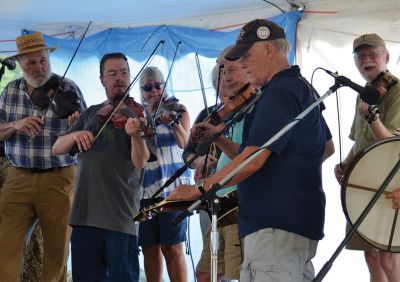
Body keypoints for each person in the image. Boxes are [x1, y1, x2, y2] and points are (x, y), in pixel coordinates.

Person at [168, 19, 333, 282]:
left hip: (274, 228)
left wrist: (201, 188)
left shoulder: (277, 93)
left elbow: (254, 159)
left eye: (247, 55)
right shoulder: (302, 87)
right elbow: (325, 148)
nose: (243, 63)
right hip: (299, 223)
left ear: (269, 50)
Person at [52, 52, 156, 282]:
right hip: (84, 216)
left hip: (120, 218)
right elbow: (57, 148)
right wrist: (76, 134)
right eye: (112, 73)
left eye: (124, 73)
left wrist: (137, 137)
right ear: (102, 79)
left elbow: (140, 161)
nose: (119, 78)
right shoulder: (90, 113)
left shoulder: (140, 115)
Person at [0, 32, 86, 281]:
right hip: (18, 177)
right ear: (20, 64)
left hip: (59, 178)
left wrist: (77, 124)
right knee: (5, 244)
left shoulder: (68, 88)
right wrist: (16, 125)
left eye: (43, 61)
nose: (39, 68)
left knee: (57, 249)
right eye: (32, 63)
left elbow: (86, 133)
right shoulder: (10, 90)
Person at [334, 33, 400, 282]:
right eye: (360, 56)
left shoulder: (397, 90)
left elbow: (391, 143)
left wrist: (372, 118)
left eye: (373, 54)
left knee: (388, 256)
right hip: (364, 183)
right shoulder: (363, 94)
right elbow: (359, 139)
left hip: (390, 183)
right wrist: (346, 163)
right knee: (371, 257)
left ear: (386, 57)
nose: (367, 60)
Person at [138, 66, 192, 282]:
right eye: (148, 87)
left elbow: (186, 144)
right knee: (149, 248)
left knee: (173, 247)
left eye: (157, 86)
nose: (153, 92)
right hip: (146, 191)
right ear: (142, 90)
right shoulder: (139, 115)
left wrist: (174, 123)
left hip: (173, 190)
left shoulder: (179, 110)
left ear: (164, 86)